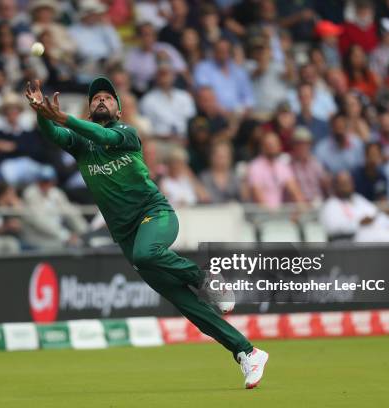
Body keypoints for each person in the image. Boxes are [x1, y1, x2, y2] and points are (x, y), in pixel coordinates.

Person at [25, 77, 269, 388]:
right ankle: (247, 352)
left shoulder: (126, 134)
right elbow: (55, 135)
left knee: (146, 253)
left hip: (155, 214)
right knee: (186, 304)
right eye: (96, 98)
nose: (101, 100)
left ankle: (205, 279)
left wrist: (64, 118)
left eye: (108, 98)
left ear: (118, 110)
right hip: (126, 235)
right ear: (88, 110)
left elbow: (97, 133)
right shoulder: (81, 145)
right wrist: (41, 113)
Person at [320, 171, 389, 242]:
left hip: (377, 239)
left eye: (348, 183)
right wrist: (358, 223)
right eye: (343, 184)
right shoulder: (331, 205)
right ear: (336, 186)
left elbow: (376, 215)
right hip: (352, 245)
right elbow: (332, 229)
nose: (346, 187)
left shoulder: (359, 199)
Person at [21, 165, 88, 250]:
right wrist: (66, 236)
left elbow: (69, 212)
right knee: (63, 246)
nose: (45, 184)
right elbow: (39, 221)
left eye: (48, 181)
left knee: (81, 242)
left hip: (58, 234)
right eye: (43, 181)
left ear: (53, 181)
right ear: (37, 181)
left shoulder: (56, 193)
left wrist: (84, 233)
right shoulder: (30, 194)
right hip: (37, 236)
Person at [248, 131, 304, 209]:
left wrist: (302, 208)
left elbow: (295, 191)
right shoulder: (255, 167)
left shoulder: (282, 166)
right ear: (263, 146)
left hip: (279, 214)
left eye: (274, 144)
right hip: (260, 215)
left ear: (279, 146)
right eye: (269, 144)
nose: (272, 147)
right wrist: (272, 215)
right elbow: (258, 196)